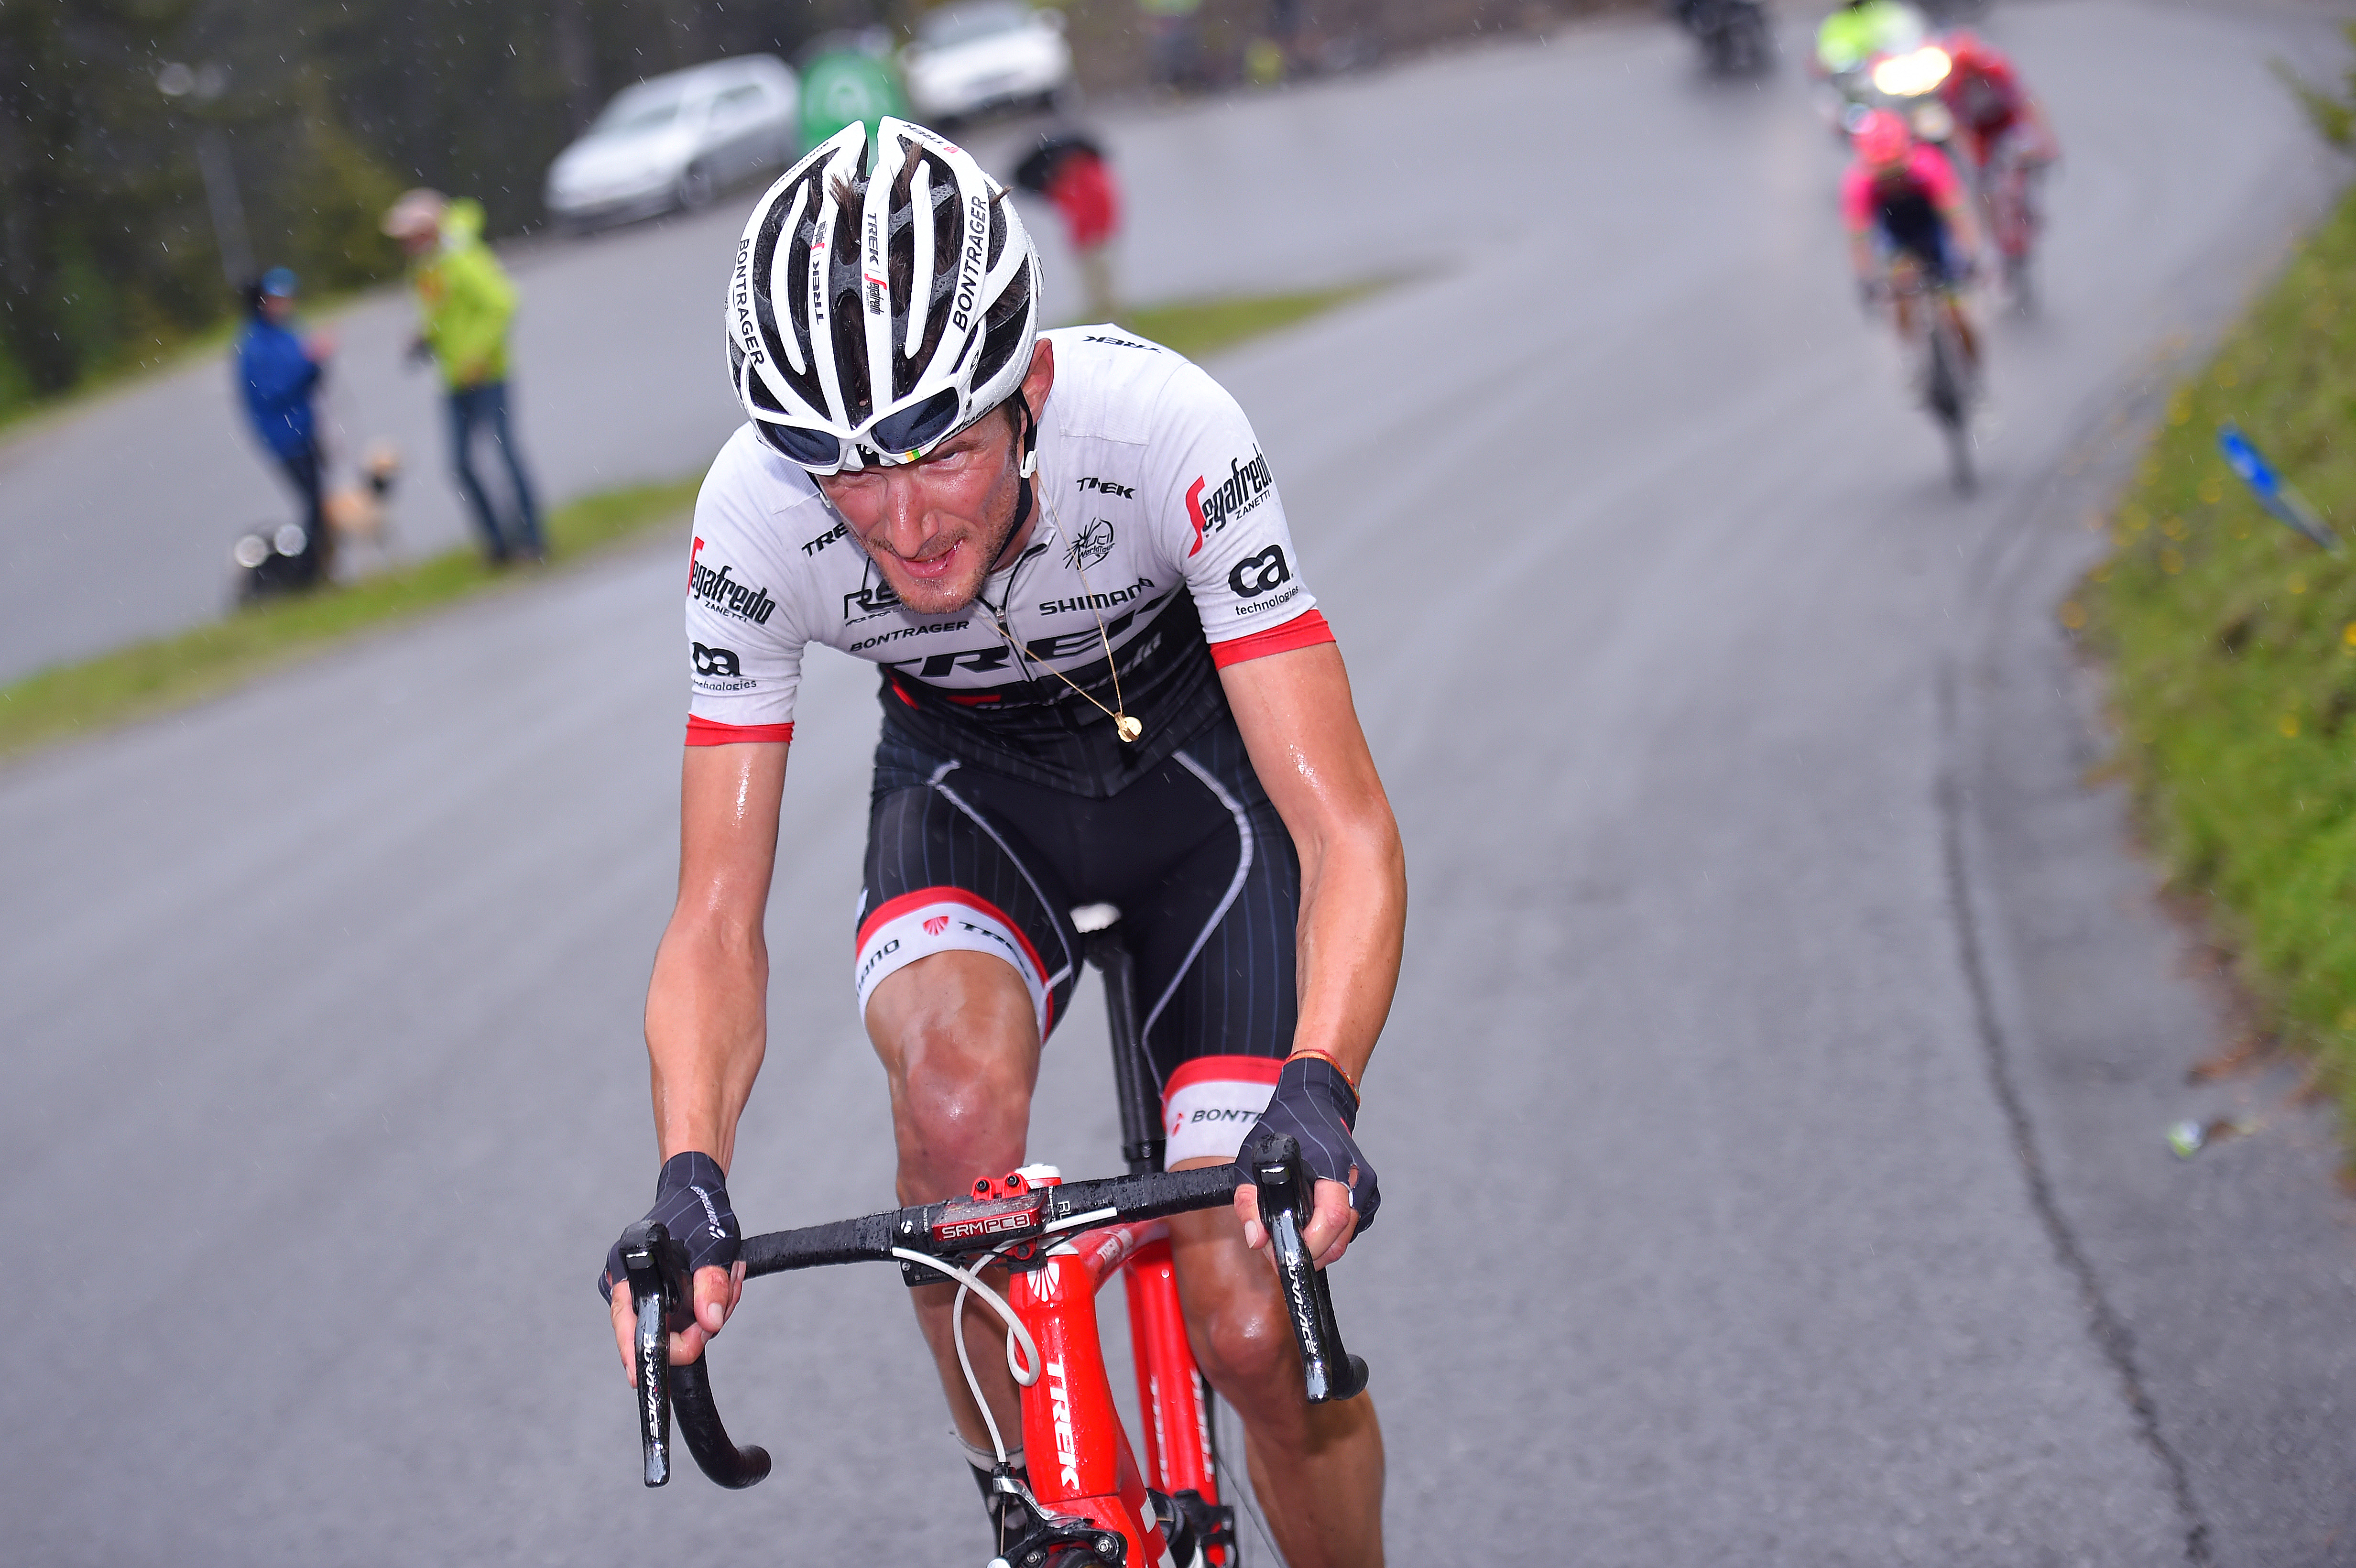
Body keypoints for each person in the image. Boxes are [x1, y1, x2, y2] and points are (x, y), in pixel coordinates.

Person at [598, 119, 1401, 1568]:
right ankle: (1039, 1511)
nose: (900, 520)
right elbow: (715, 918)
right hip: (971, 795)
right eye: (843, 470)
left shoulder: (1164, 430)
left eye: (941, 448)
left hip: (1196, 804)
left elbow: (1341, 823)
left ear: (1028, 386)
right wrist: (689, 1170)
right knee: (955, 1115)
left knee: (1248, 1318)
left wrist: (1321, 1082)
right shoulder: (754, 520)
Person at [381, 187, 545, 564]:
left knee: (506, 456)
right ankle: (498, 546)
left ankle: (534, 542)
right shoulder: (426, 268)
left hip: (489, 376)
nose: (404, 245)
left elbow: (503, 303)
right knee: (460, 465)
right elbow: (444, 314)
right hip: (454, 380)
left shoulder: (463, 258)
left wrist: (478, 354)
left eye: (408, 236)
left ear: (428, 231)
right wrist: (425, 337)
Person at [1842, 108, 1985, 365]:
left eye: (1897, 171)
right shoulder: (1858, 185)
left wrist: (1970, 256)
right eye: (1884, 175)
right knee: (1901, 285)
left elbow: (1958, 217)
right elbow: (1859, 240)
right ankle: (1914, 357)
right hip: (1896, 233)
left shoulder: (1930, 166)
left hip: (1932, 228)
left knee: (1957, 315)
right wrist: (1865, 279)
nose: (1893, 180)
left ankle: (1974, 374)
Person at [234, 267, 336, 587]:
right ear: (262, 303)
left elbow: (309, 381)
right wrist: (310, 360)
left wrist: (317, 362)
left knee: (318, 504)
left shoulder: (287, 332)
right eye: (277, 299)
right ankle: (305, 576)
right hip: (285, 437)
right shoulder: (255, 345)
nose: (285, 304)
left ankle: (316, 570)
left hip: (305, 429)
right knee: (312, 505)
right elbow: (274, 390)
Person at [1013, 129, 1122, 321]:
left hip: (1093, 238)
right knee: (1097, 289)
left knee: (1101, 290)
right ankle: (1108, 323)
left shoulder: (1081, 175)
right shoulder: (1079, 174)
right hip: (1090, 238)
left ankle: (1111, 326)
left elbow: (1090, 209)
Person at [1935, 32, 2059, 175]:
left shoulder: (1996, 71)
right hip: (1981, 130)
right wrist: (1972, 156)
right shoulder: (1954, 86)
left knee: (2025, 150)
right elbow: (1957, 127)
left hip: (2008, 120)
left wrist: (2046, 140)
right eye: (1967, 75)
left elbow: (2025, 103)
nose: (1973, 79)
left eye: (1975, 72)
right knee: (1984, 177)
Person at [1813, 0, 1927, 78]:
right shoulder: (1837, 25)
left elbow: (1913, 32)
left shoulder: (1888, 10)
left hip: (1905, 65)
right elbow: (1834, 56)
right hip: (1870, 77)